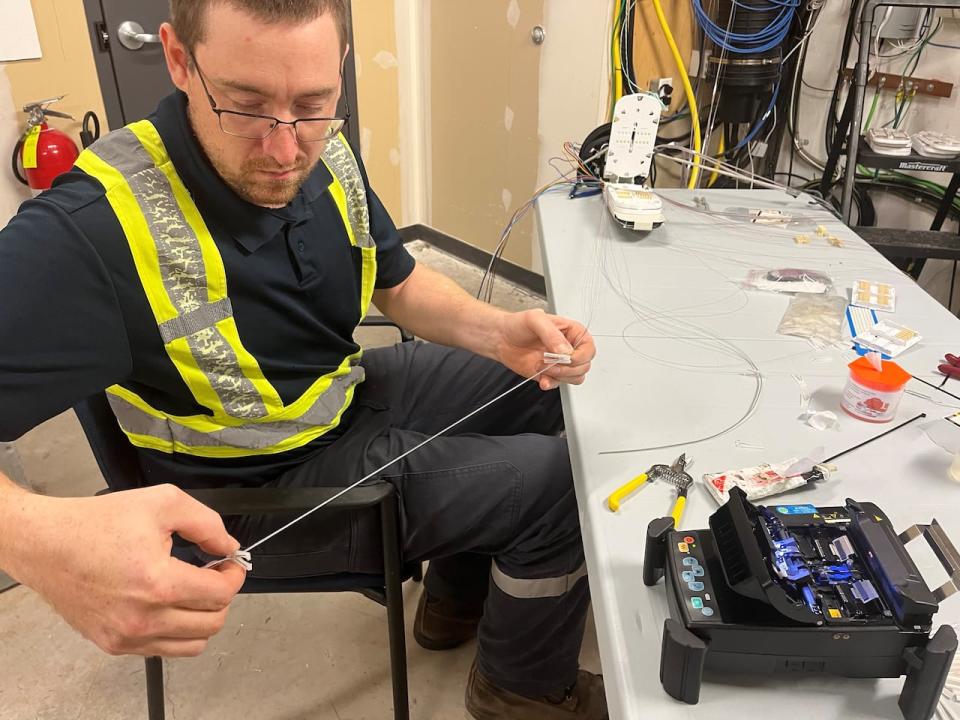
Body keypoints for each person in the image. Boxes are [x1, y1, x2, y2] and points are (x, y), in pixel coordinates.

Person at [0, 1, 602, 717]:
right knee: (561, 484)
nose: (286, 150)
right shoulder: (92, 230)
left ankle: (453, 602)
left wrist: (500, 331)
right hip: (253, 496)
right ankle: (522, 691)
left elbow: (398, 280)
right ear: (178, 59)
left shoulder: (326, 147)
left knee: (541, 391)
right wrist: (37, 542)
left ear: (338, 69)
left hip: (338, 397)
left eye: (313, 105)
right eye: (246, 106)